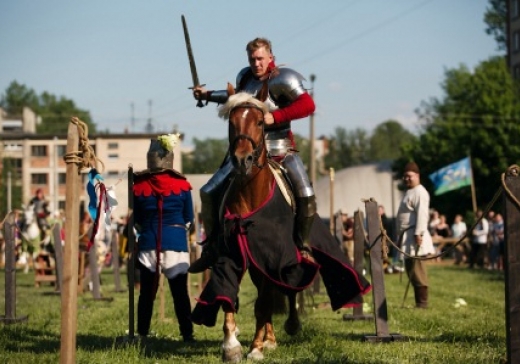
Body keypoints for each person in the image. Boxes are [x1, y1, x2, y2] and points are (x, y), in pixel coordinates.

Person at [190, 37, 316, 273]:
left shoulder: (283, 78)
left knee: (306, 194)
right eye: (252, 59)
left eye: (260, 58)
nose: (256, 63)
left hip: (279, 149)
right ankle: (212, 247)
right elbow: (235, 98)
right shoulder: (245, 77)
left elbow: (308, 105)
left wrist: (276, 117)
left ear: (270, 56)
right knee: (208, 192)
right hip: (247, 150)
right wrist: (207, 95)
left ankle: (303, 244)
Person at [133, 135, 195, 342]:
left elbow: (137, 220)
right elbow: (188, 219)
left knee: (146, 295)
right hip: (176, 245)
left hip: (149, 245)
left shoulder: (138, 186)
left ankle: (142, 334)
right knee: (180, 295)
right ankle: (187, 335)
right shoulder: (183, 186)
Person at [397, 162, 435, 308]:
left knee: (418, 270)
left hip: (415, 235)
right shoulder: (409, 192)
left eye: (410, 176)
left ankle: (422, 303)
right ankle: (418, 302)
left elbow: (422, 214)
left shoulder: (420, 192)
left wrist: (419, 233)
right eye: (405, 176)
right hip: (407, 236)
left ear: (417, 176)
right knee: (411, 270)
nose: (407, 179)